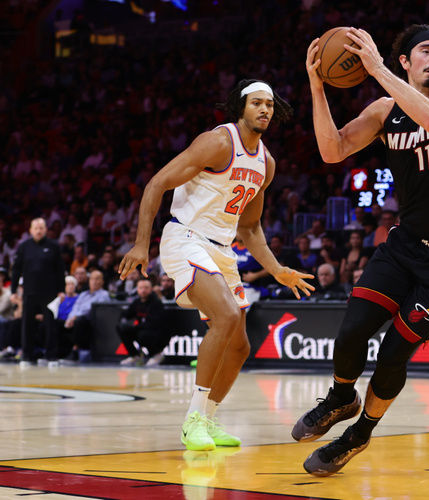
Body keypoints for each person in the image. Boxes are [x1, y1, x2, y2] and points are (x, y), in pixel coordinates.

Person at [295, 25, 429, 476]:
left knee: (393, 353)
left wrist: (374, 67)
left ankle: (360, 433)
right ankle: (341, 397)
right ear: (406, 61)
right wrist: (317, 85)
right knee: (351, 331)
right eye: (425, 51)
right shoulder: (384, 110)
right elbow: (332, 150)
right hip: (402, 247)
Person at [118, 78, 314, 452]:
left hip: (223, 249)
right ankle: (192, 421)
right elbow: (157, 183)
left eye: (269, 105)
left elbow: (251, 227)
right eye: (256, 103)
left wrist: (277, 269)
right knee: (225, 316)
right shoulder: (218, 142)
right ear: (240, 107)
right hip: (185, 237)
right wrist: (141, 243)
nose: (264, 110)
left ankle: (207, 416)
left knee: (240, 346)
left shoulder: (265, 163)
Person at [10, 218, 65, 364]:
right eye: (36, 228)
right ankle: (26, 356)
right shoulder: (24, 247)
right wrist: (13, 290)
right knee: (27, 325)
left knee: (50, 325)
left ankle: (51, 356)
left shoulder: (53, 246)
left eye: (41, 228)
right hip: (29, 292)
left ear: (46, 229)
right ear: (30, 230)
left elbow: (60, 269)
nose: (39, 230)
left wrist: (62, 290)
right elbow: (16, 269)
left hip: (50, 293)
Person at [61, 269, 110, 363]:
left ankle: (75, 352)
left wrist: (75, 318)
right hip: (76, 320)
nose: (94, 281)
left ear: (102, 281)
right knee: (56, 323)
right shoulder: (83, 294)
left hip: (91, 324)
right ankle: (56, 352)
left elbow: (91, 310)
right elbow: (75, 307)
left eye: (97, 279)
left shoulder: (104, 295)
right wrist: (70, 318)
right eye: (92, 279)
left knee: (80, 321)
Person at [117, 277, 167, 367]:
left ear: (151, 289)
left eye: (146, 288)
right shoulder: (137, 301)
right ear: (137, 289)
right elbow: (127, 313)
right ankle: (135, 355)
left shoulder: (156, 302)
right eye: (141, 288)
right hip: (142, 329)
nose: (143, 290)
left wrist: (135, 328)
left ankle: (156, 354)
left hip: (157, 333)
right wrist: (123, 318)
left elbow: (154, 324)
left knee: (142, 334)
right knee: (121, 328)